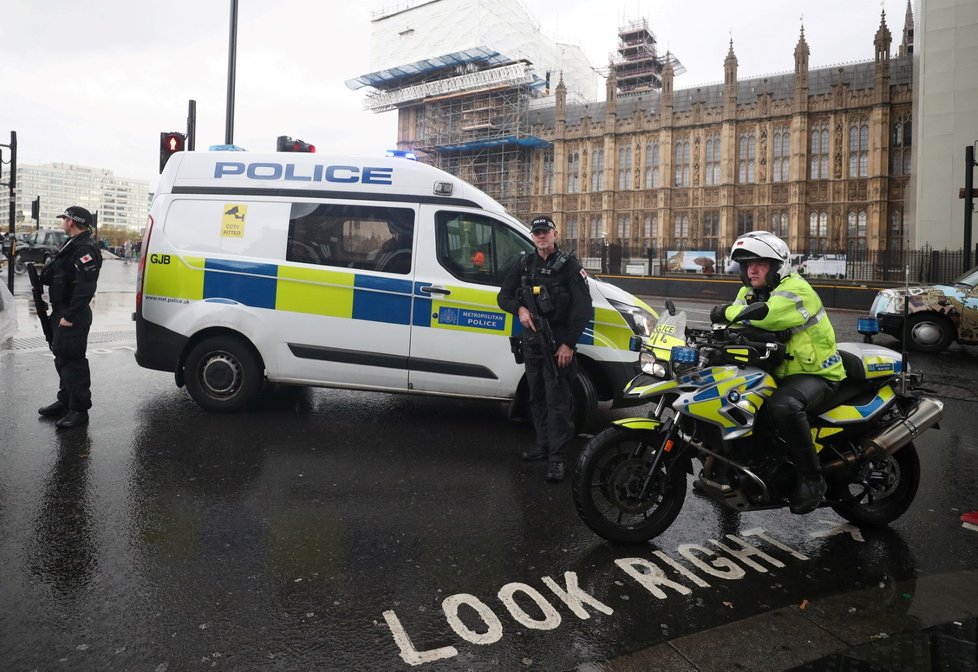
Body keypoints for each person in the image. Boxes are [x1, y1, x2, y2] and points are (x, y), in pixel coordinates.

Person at [710, 231, 845, 514]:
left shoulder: (796, 289)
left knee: (783, 406)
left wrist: (725, 312)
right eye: (748, 265)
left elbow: (765, 314)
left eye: (760, 263)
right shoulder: (748, 292)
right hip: (778, 371)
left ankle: (812, 479)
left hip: (815, 372)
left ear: (777, 266)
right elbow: (735, 321)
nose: (752, 270)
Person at [497, 216, 592, 483]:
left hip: (558, 344)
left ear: (555, 234)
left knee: (558, 402)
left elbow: (583, 309)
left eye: (545, 232)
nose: (541, 236)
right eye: (537, 233)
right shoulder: (524, 264)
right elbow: (503, 296)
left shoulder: (569, 267)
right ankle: (543, 445)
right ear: (532, 236)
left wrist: (568, 344)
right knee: (536, 398)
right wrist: (520, 309)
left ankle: (559, 458)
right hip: (532, 344)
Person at [37, 206, 102, 429]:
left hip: (72, 313)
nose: (62, 222)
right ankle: (66, 401)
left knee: (73, 361)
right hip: (61, 310)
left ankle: (79, 409)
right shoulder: (71, 244)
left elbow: (86, 287)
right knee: (62, 357)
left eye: (64, 219)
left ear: (72, 222)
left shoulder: (85, 249)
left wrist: (70, 315)